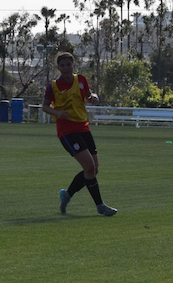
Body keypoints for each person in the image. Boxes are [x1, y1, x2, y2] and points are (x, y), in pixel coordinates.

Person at [41, 52, 118, 216]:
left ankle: (67, 194)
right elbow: (45, 106)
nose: (66, 68)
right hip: (67, 131)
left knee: (94, 169)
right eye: (62, 66)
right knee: (89, 167)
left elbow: (88, 97)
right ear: (58, 68)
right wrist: (58, 112)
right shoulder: (53, 86)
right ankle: (100, 206)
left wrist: (93, 98)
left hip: (83, 127)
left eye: (68, 65)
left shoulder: (81, 80)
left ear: (73, 65)